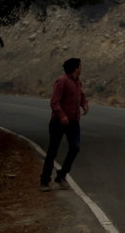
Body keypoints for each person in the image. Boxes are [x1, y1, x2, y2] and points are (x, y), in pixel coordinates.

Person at [40, 57, 89, 191]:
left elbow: (81, 96)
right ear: (75, 68)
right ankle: (44, 181)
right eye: (80, 66)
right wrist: (62, 116)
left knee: (75, 147)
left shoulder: (78, 82)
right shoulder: (62, 81)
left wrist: (84, 104)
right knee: (52, 151)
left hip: (73, 121)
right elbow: (54, 102)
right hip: (58, 122)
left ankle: (61, 175)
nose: (81, 68)